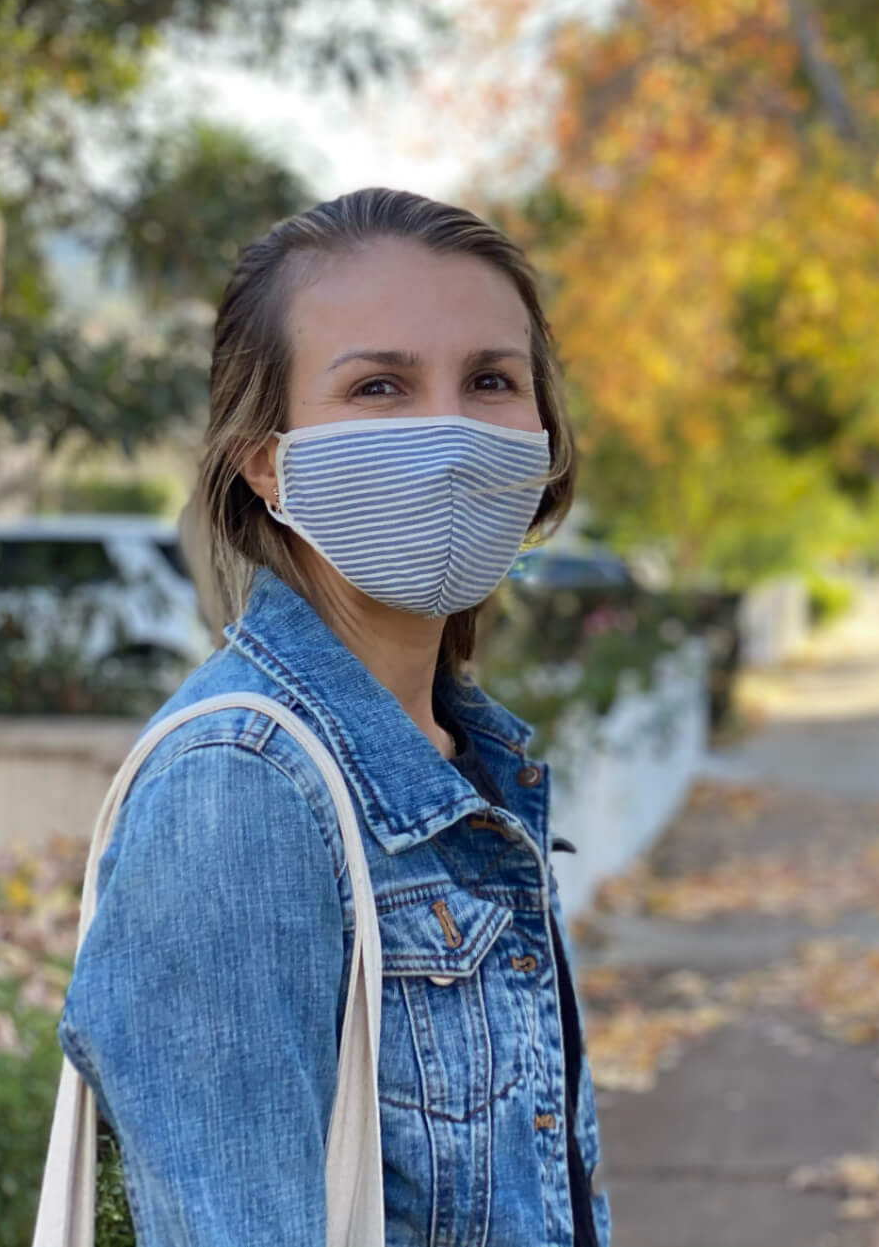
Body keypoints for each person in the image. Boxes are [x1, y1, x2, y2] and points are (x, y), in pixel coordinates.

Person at [59, 189, 608, 1246]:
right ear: (266, 461)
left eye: (490, 380)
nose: (448, 435)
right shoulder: (242, 783)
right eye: (379, 386)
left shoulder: (462, 762)